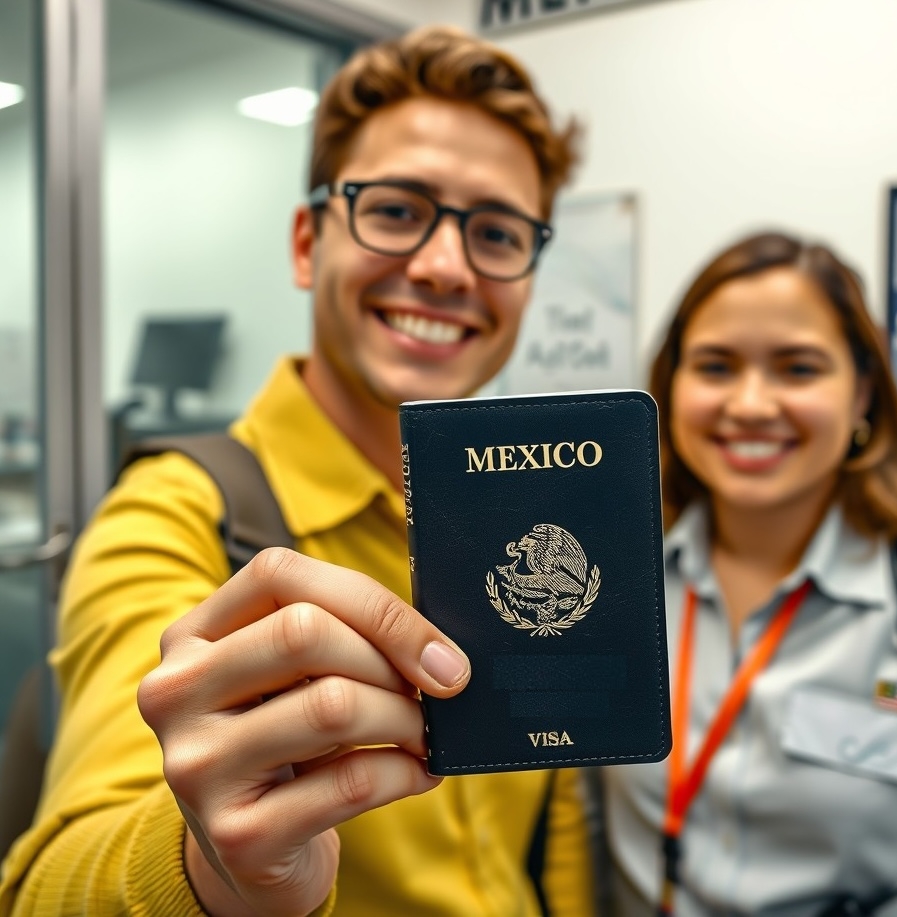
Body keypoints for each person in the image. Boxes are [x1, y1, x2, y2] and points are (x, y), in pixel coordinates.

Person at [0, 26, 595, 917]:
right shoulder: (171, 516)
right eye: (396, 211)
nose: (445, 267)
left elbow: (557, 815)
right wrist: (217, 870)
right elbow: (49, 884)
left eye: (498, 232)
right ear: (309, 243)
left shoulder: (526, 512)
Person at [599, 231, 897, 916]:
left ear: (862, 395)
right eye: (715, 366)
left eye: (798, 369)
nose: (751, 404)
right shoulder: (610, 579)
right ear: (670, 387)